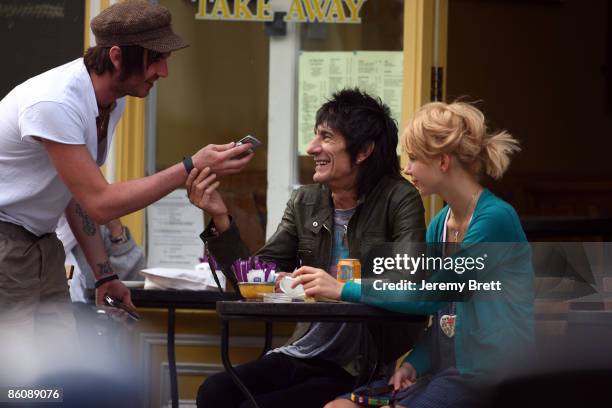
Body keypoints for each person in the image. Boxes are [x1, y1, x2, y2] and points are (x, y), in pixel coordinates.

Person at [0, 0, 252, 385]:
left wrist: (104, 276)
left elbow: (75, 198)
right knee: (16, 381)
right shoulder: (56, 102)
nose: (163, 72)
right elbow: (100, 204)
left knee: (58, 378)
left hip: (40, 244)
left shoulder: (109, 102)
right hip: (7, 242)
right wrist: (190, 167)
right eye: (155, 59)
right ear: (117, 57)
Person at [187, 88, 426, 408]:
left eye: (326, 137)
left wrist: (343, 288)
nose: (312, 148)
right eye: (315, 136)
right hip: (302, 349)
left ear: (364, 150)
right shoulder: (306, 201)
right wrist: (220, 219)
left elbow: (407, 284)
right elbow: (252, 281)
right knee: (214, 392)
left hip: (359, 366)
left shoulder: (400, 198)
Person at [295, 101, 535, 408]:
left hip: (490, 379)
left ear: (443, 162)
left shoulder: (494, 220)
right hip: (446, 374)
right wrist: (414, 364)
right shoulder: (440, 224)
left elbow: (432, 294)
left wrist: (344, 288)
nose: (407, 169)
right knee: (338, 407)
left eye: (415, 158)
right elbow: (443, 319)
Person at [57, 216, 145, 303]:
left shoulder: (93, 226)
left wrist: (116, 229)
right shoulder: (45, 232)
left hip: (89, 314)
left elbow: (134, 283)